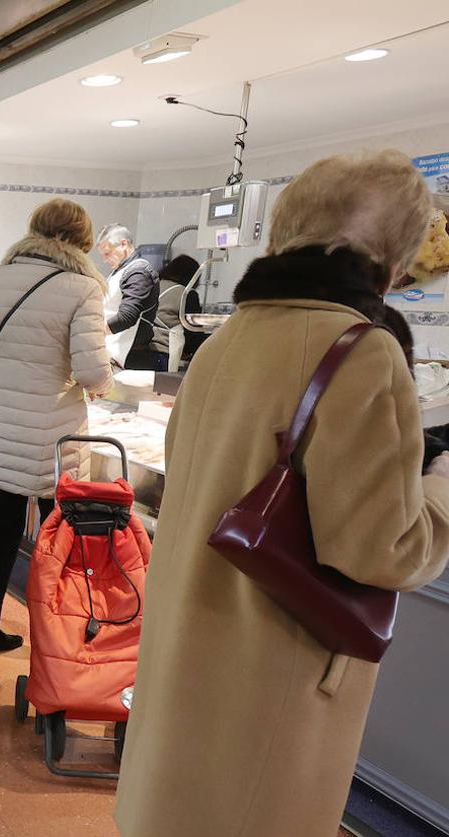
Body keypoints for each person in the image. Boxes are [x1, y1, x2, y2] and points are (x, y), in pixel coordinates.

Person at [114, 151, 449, 837]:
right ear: (394, 258)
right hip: (270, 681)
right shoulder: (363, 349)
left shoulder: (226, 339)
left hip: (187, 661)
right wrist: (440, 489)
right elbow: (381, 549)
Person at [0, 199, 113, 656]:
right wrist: (103, 383)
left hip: (1, 425)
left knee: (4, 529)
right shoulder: (83, 288)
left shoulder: (0, 278)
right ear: (81, 239)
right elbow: (92, 373)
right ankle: (55, 640)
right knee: (58, 537)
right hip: (54, 436)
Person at [96, 224, 161, 371]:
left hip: (130, 358)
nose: (105, 260)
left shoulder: (138, 272)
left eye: (107, 253)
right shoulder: (120, 270)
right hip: (113, 354)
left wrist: (93, 333)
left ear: (123, 244)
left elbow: (127, 317)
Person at [148, 254, 207, 366]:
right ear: (193, 277)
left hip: (137, 351)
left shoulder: (152, 286)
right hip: (163, 354)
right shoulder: (186, 294)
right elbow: (193, 334)